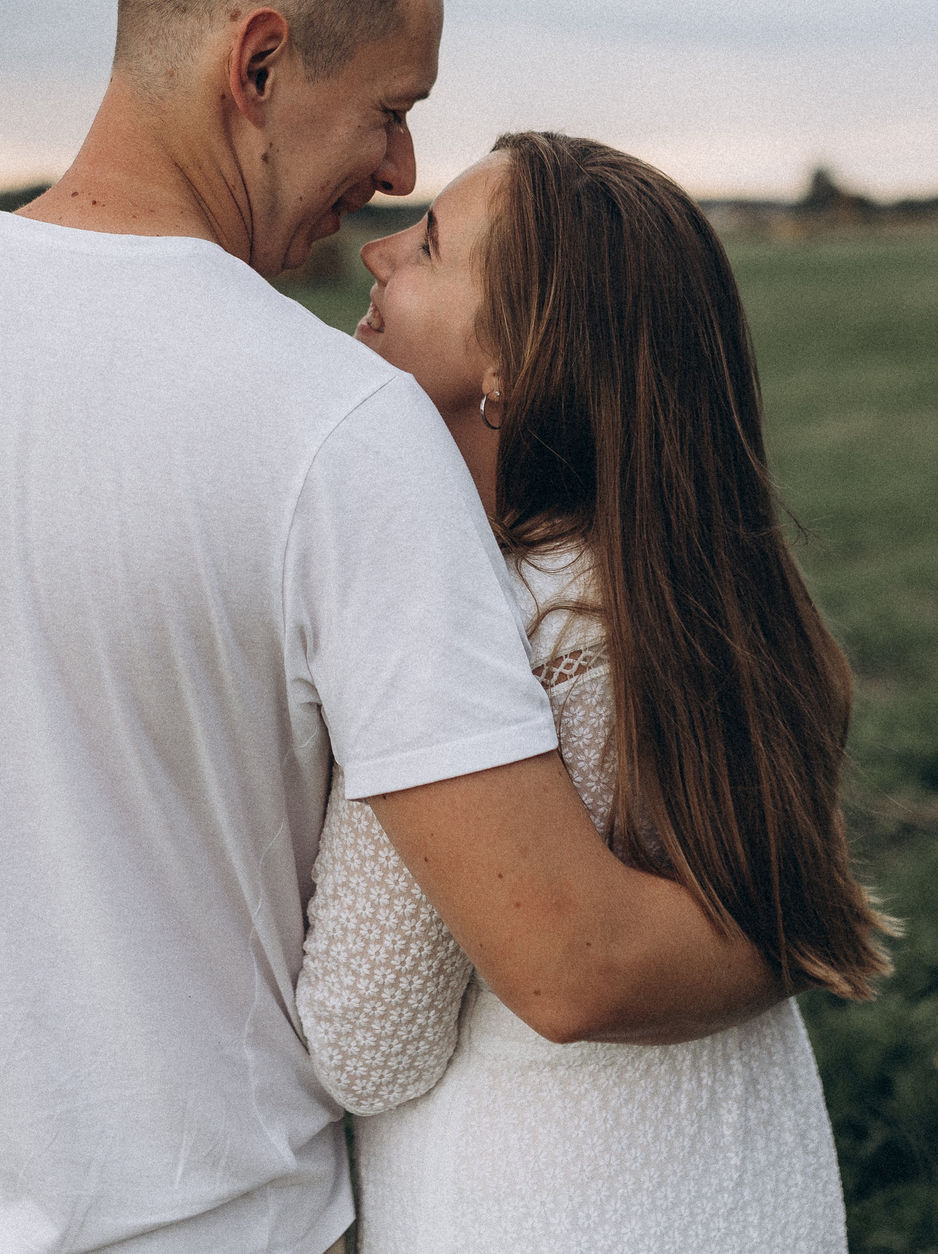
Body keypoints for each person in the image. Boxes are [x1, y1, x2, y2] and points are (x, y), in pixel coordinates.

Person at [0, 0, 788, 1254]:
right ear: (255, 66)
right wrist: (798, 929)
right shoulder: (340, 425)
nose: (398, 165)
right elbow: (566, 956)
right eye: (389, 106)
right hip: (202, 1219)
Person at [298, 132, 898, 1252]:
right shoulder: (703, 602)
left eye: (428, 247)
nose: (376, 255)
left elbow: (365, 1039)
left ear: (515, 367)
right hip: (754, 1206)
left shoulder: (488, 623)